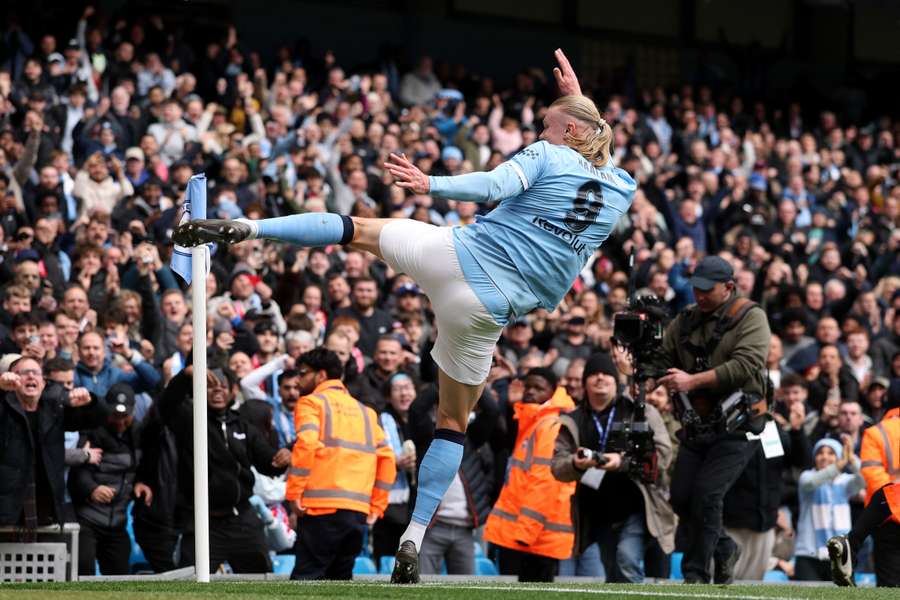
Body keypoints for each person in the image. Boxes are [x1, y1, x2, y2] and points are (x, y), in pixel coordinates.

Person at [173, 48, 635, 584]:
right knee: (451, 424)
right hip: (486, 310)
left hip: (453, 253)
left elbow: (492, 186)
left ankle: (250, 229)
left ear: (573, 132)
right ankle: (412, 539)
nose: (543, 131)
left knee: (355, 229)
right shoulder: (621, 188)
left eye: (550, 125)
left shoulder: (547, 155)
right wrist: (576, 105)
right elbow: (596, 153)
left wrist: (430, 184)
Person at [649, 255, 771, 584]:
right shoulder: (686, 319)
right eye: (696, 289)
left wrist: (693, 380)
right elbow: (663, 357)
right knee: (682, 497)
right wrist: (644, 370)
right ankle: (724, 546)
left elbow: (746, 365)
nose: (700, 295)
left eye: (707, 290)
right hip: (698, 423)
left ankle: (696, 574)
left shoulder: (751, 317)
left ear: (729, 287)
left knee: (707, 494)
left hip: (740, 424)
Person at [551, 352, 675, 583]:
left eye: (606, 373)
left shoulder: (641, 411)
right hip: (598, 510)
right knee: (614, 574)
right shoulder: (573, 420)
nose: (600, 378)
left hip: (640, 504)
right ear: (585, 382)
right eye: (594, 374)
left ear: (615, 380)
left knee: (626, 559)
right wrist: (576, 464)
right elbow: (557, 467)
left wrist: (622, 462)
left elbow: (664, 454)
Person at [158, 360, 290, 573]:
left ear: (233, 391)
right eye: (210, 387)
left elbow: (269, 463)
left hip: (243, 519)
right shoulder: (189, 420)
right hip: (204, 522)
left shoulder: (244, 426)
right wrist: (184, 376)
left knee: (260, 582)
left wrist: (283, 457)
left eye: (222, 388)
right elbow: (167, 404)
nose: (217, 393)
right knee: (188, 585)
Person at [286, 347, 396, 580]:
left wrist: (294, 493)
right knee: (340, 581)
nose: (298, 379)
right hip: (357, 513)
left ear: (321, 375)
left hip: (321, 508)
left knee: (306, 582)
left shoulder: (311, 403)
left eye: (303, 372)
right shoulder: (366, 412)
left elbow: (306, 444)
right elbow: (387, 460)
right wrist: (376, 506)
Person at [485, 368, 575, 582]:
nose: (531, 392)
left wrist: (525, 534)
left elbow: (544, 483)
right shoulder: (533, 422)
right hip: (525, 535)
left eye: (539, 388)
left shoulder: (550, 426)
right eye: (528, 387)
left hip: (534, 539)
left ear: (552, 392)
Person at [0, 356, 105, 534]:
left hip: (47, 512)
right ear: (11, 379)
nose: (31, 376)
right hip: (6, 514)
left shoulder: (55, 409)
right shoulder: (3, 407)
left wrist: (90, 403)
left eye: (36, 373)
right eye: (24, 373)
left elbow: (97, 419)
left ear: (43, 382)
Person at [68, 383, 152, 575]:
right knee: (83, 571)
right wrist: (91, 489)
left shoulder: (139, 433)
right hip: (87, 520)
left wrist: (141, 482)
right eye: (116, 416)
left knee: (120, 577)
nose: (121, 421)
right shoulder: (92, 430)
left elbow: (144, 465)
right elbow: (77, 473)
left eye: (126, 416)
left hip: (118, 523)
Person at [828, 383, 900, 587]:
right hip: (888, 510)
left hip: (886, 518)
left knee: (889, 586)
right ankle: (852, 543)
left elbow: (873, 475)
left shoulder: (877, 432)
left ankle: (852, 542)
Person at [794, 436, 864, 581]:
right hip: (809, 555)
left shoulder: (845, 482)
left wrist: (851, 458)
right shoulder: (807, 476)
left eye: (831, 453)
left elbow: (865, 479)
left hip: (840, 556)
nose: (824, 457)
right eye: (820, 453)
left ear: (839, 456)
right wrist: (838, 466)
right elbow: (812, 483)